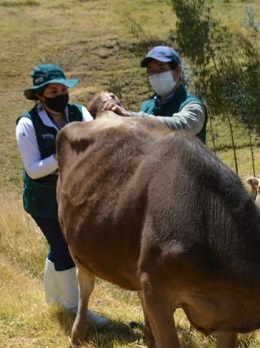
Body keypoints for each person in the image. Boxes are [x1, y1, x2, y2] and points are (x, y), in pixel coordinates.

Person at [15, 63, 106, 325]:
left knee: (59, 246)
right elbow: (33, 170)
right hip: (43, 200)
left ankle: (54, 298)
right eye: (52, 90)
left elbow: (97, 137)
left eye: (62, 88)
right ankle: (77, 310)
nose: (60, 94)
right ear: (40, 95)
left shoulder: (79, 113)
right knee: (62, 248)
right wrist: (63, 153)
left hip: (74, 195)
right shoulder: (27, 124)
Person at [100, 45, 208, 142]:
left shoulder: (193, 106)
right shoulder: (147, 106)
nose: (156, 75)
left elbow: (181, 126)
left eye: (161, 68)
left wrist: (132, 116)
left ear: (177, 71)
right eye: (151, 71)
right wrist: (119, 109)